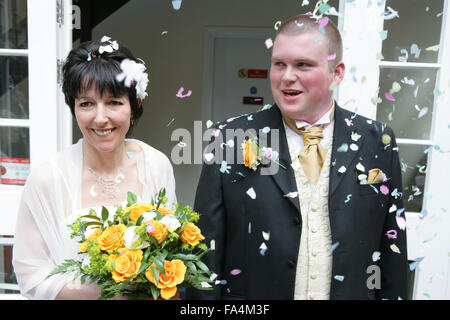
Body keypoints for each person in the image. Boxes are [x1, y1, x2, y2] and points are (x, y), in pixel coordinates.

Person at [187, 14, 408, 300]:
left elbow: (392, 254)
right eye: (279, 64)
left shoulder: (378, 141)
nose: (287, 76)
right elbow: (204, 257)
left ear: (336, 72)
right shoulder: (228, 138)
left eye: (302, 64)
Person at [12, 37, 177, 299]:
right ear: (74, 107)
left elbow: (169, 251)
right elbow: (30, 275)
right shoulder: (47, 178)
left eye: (113, 102)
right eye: (86, 103)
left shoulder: (156, 165)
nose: (100, 119)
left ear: (135, 105)